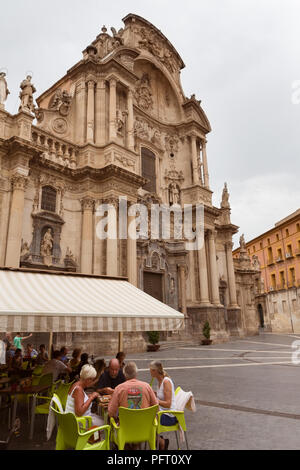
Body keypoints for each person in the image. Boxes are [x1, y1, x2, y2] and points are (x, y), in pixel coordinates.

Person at [149, 360, 177, 450]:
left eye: (150, 370)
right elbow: (162, 396)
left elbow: (168, 404)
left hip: (170, 416)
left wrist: (155, 400)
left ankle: (161, 442)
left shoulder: (166, 382)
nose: (149, 372)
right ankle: (158, 441)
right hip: (162, 413)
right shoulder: (159, 381)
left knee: (147, 422)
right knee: (146, 419)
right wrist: (154, 394)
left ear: (155, 371)